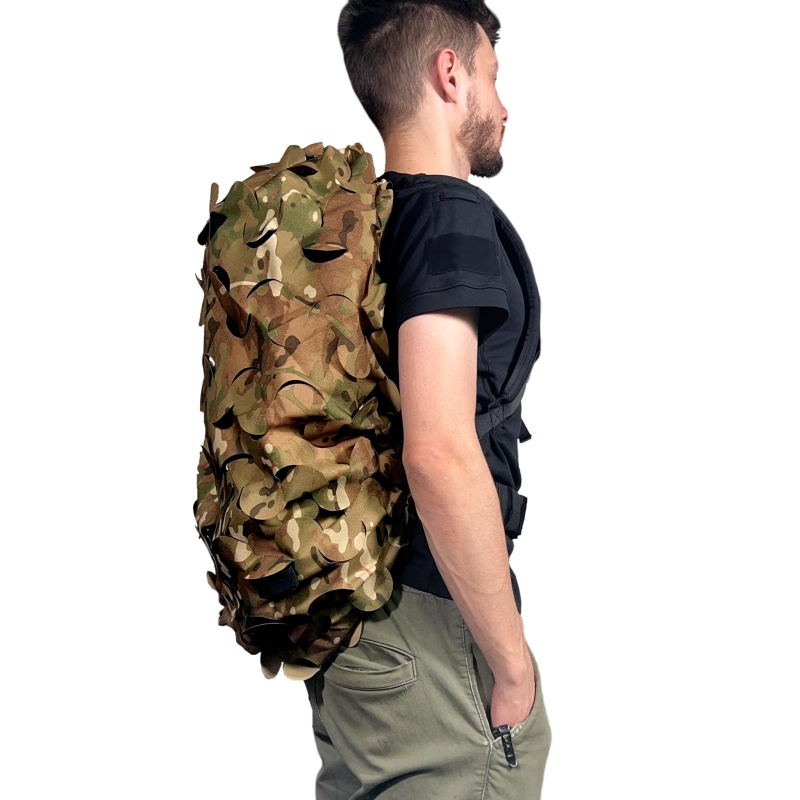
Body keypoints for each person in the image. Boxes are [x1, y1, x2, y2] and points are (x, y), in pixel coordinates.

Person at [303, 3, 552, 797]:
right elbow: (439, 451)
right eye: (492, 77)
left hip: (354, 611)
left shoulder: (367, 222)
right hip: (429, 623)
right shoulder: (449, 220)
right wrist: (511, 667)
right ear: (450, 74)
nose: (505, 106)